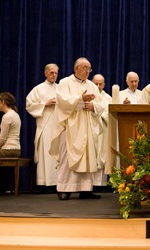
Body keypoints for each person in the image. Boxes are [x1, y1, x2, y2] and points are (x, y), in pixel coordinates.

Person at [49, 57, 105, 200]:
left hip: (87, 126)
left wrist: (93, 106)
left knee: (87, 157)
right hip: (70, 127)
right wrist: (81, 100)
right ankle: (64, 189)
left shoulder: (92, 85)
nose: (87, 71)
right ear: (76, 69)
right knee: (68, 157)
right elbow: (63, 102)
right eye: (85, 68)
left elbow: (101, 104)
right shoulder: (65, 83)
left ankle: (85, 189)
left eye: (89, 68)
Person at [26, 63, 59, 192]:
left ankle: (57, 183)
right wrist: (45, 104)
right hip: (45, 125)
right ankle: (44, 184)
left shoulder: (61, 88)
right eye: (51, 73)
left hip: (58, 125)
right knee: (46, 152)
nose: (54, 75)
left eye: (56, 73)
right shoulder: (38, 89)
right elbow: (29, 104)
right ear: (46, 73)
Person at [91, 74, 112, 188]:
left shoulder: (108, 98)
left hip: (103, 130)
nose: (98, 86)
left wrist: (100, 114)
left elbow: (111, 114)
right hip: (91, 129)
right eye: (96, 84)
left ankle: (101, 184)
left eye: (100, 84)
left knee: (101, 153)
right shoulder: (87, 96)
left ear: (104, 85)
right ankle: (89, 185)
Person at [0, 92, 21, 158]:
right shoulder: (15, 114)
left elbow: (2, 139)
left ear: (3, 102)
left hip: (9, 149)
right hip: (16, 149)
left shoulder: (7, 116)